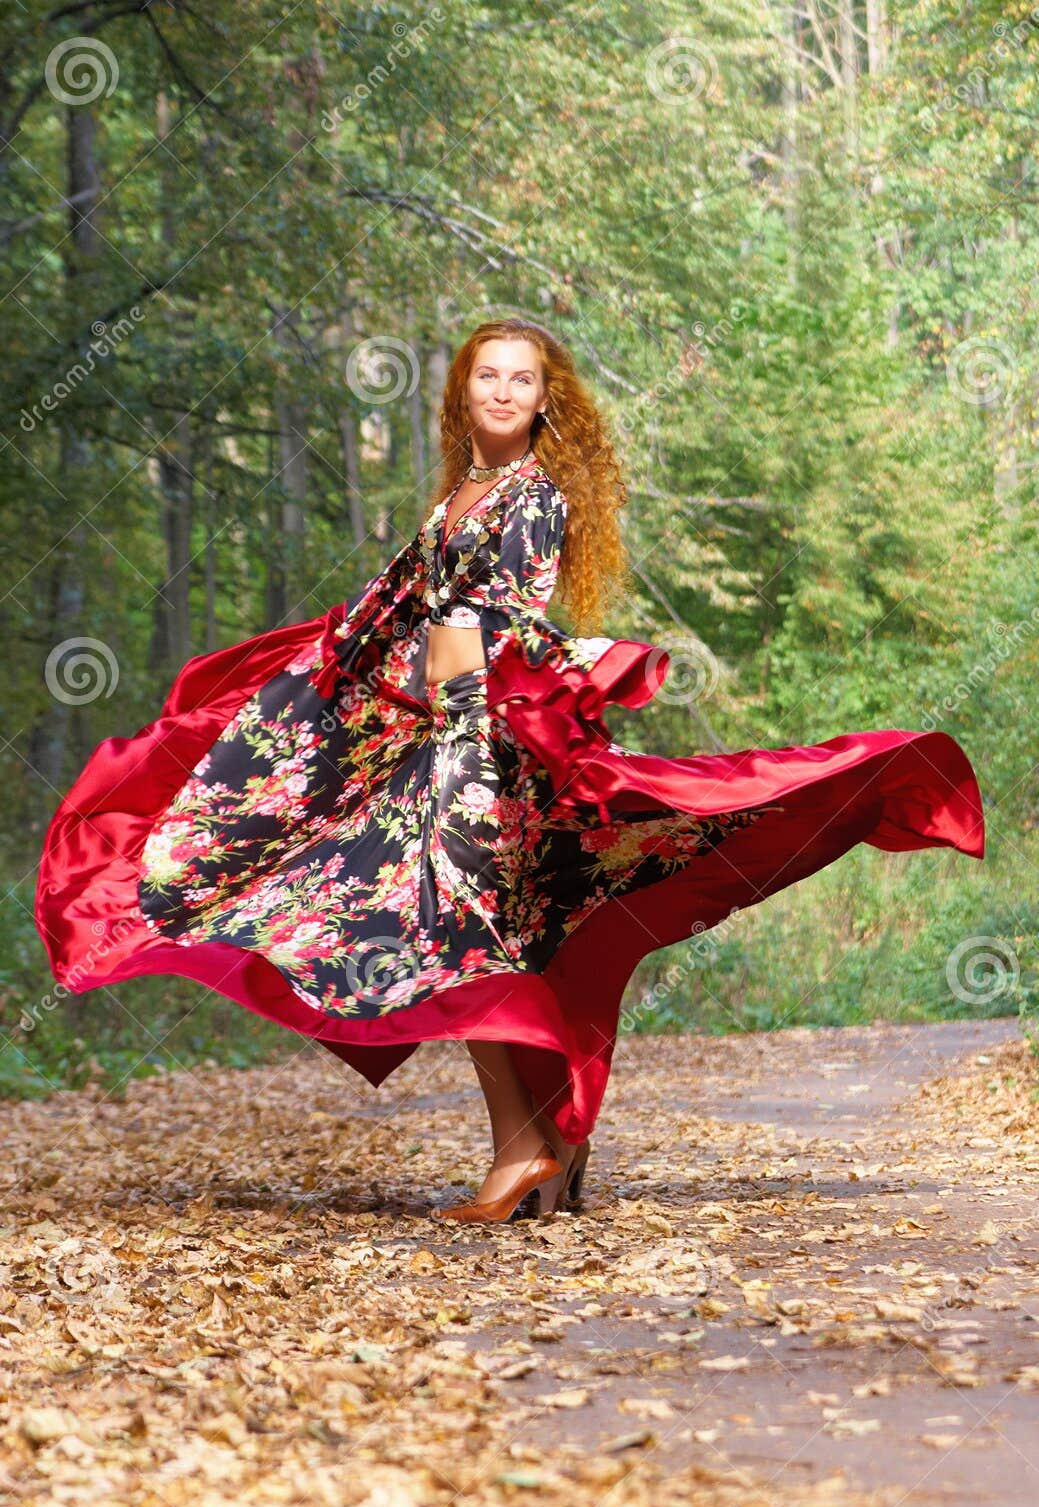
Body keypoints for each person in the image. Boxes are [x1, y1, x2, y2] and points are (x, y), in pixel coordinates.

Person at [34, 317, 985, 1225]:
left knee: (458, 935)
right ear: (462, 392)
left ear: (543, 403)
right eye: (487, 375)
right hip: (441, 732)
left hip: (478, 742)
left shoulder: (534, 497)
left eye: (521, 380)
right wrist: (332, 690)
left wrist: (441, 716)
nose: (502, 390)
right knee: (470, 934)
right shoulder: (457, 497)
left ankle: (525, 1150)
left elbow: (494, 622)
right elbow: (391, 609)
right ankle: (538, 1147)